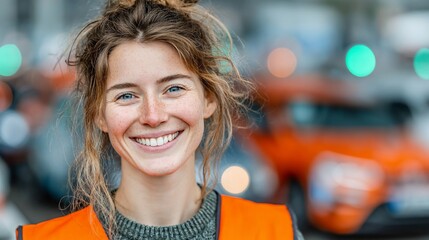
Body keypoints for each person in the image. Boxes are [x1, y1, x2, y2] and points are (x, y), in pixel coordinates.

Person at [16, 0, 303, 239]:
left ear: (209, 99)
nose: (153, 116)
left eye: (174, 89)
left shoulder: (277, 232)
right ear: (99, 114)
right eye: (126, 96)